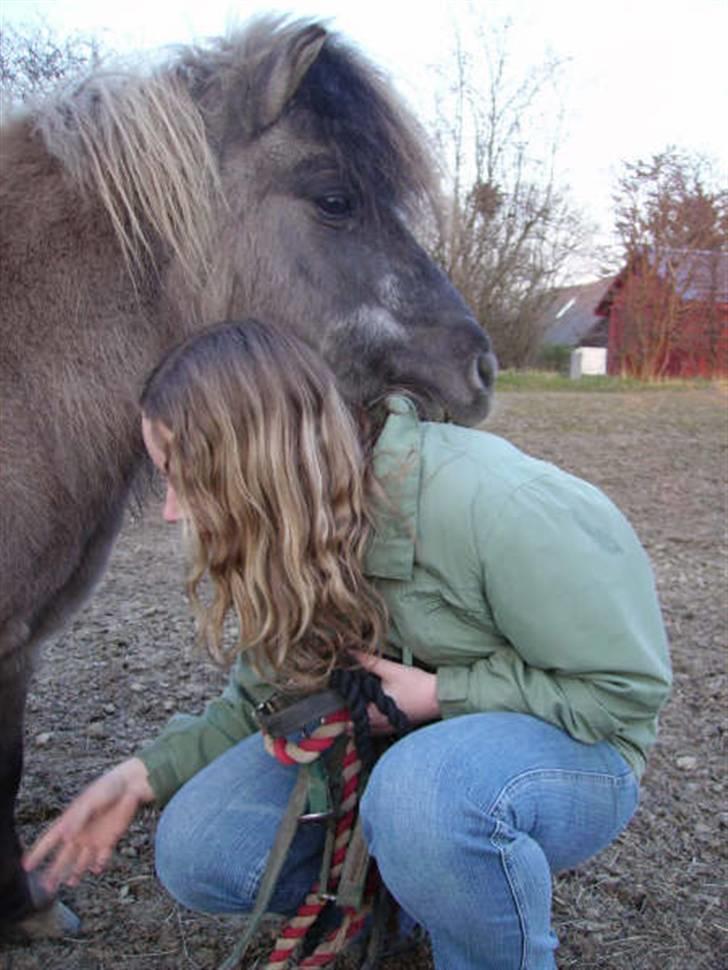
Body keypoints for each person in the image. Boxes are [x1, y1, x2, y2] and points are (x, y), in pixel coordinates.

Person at [24, 319, 671, 970]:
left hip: (575, 753)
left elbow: (622, 693)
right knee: (200, 845)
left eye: (182, 476)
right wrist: (140, 776)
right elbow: (264, 696)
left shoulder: (496, 505)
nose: (171, 509)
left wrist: (442, 694)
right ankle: (411, 893)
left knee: (421, 796)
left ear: (255, 462)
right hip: (404, 758)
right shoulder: (287, 527)